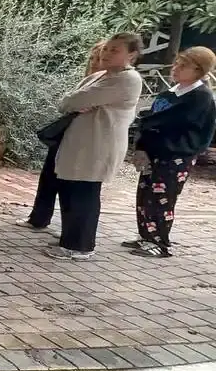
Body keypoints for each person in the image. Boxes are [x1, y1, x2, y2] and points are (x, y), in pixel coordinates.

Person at [46, 32, 144, 261]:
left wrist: (77, 102)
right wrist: (76, 102)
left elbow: (75, 100)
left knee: (84, 193)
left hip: (98, 145)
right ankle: (69, 238)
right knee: (69, 190)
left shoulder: (127, 79)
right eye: (107, 48)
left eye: (115, 50)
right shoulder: (101, 75)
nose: (106, 53)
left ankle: (80, 246)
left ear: (131, 55)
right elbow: (66, 102)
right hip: (78, 143)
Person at [124, 46, 216, 258]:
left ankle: (159, 243)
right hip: (153, 152)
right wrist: (142, 144)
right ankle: (146, 236)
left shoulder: (200, 97)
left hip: (175, 156)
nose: (176, 68)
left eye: (183, 66)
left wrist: (146, 125)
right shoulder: (170, 93)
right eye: (176, 63)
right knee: (145, 194)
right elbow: (152, 119)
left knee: (162, 198)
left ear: (199, 70)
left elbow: (170, 122)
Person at [17, 41, 106, 230]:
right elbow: (68, 104)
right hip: (66, 135)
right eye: (92, 58)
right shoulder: (88, 80)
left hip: (85, 142)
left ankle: (70, 232)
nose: (94, 62)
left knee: (74, 187)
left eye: (98, 59)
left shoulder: (108, 84)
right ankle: (39, 217)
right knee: (49, 175)